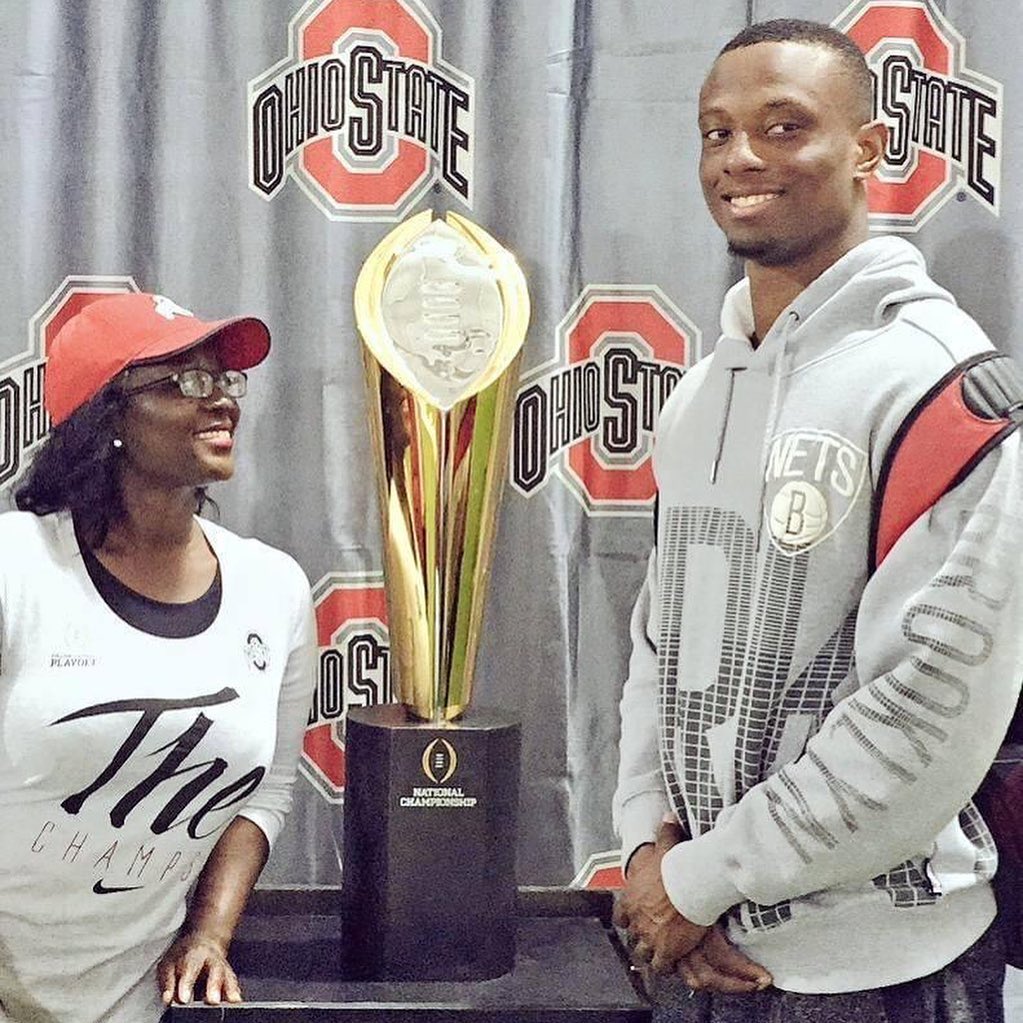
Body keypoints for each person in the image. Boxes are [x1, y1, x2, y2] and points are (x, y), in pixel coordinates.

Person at [613, 18, 1023, 1023]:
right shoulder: (697, 395)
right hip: (700, 953)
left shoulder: (941, 384)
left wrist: (699, 884)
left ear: (869, 148)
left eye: (784, 126)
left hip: (883, 974)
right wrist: (648, 856)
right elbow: (656, 648)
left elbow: (929, 709)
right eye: (717, 133)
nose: (741, 157)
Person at [0, 292, 317, 1021]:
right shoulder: (17, 569)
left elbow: (264, 792)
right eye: (185, 381)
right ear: (105, 416)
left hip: (138, 999)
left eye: (225, 380)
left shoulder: (274, 588)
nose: (222, 401)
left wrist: (210, 931)